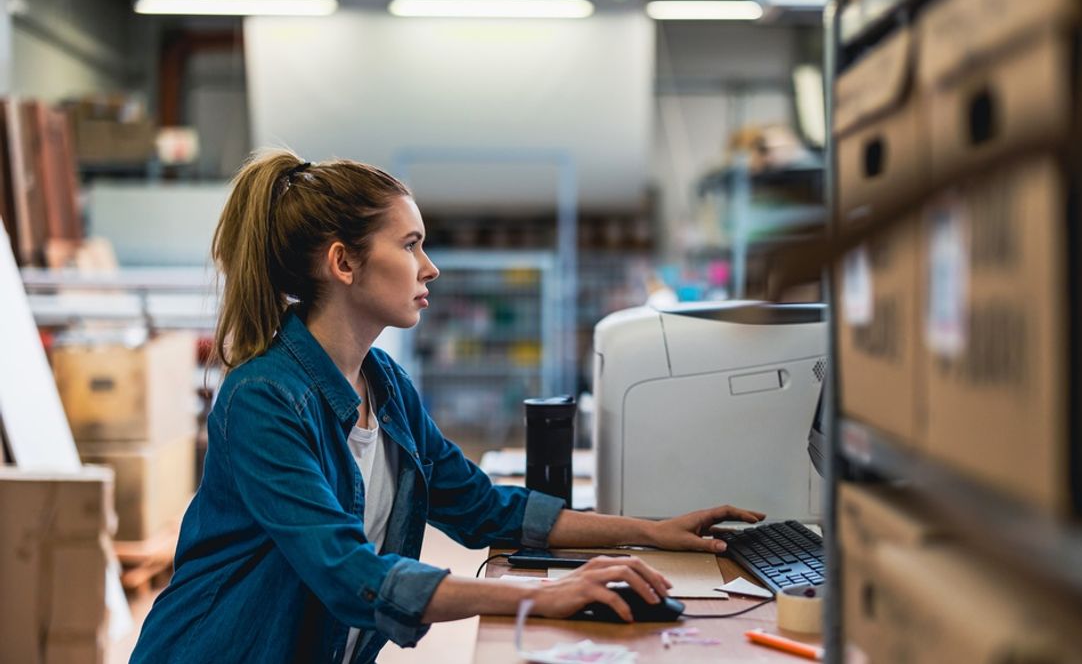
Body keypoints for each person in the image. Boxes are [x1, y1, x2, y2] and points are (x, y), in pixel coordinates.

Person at [130, 150, 765, 664]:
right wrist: (543, 597)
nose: (429, 268)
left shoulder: (384, 385)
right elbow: (347, 572)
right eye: (409, 246)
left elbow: (482, 507)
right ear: (343, 263)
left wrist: (646, 532)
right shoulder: (264, 400)